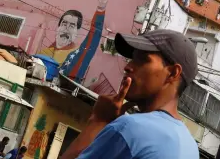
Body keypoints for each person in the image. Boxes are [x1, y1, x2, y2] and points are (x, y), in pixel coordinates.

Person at [61, 29, 199, 159]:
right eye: (132, 58)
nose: (128, 67)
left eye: (143, 59)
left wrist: (99, 120)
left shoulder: (129, 128)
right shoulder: (191, 147)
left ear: (173, 73)